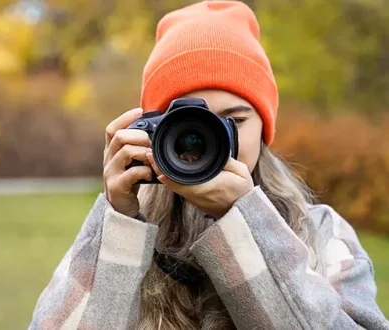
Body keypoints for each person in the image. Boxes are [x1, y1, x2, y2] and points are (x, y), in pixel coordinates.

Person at [28, 1, 389, 329]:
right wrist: (118, 220)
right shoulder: (125, 226)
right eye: (189, 127)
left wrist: (245, 220)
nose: (208, 141)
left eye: (234, 121)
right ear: (152, 130)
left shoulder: (321, 232)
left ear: (266, 126)